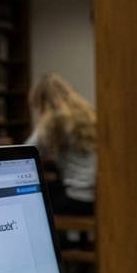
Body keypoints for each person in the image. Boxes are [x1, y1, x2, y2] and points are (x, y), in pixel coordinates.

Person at [26, 72, 97, 216]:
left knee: (35, 198)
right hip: (96, 198)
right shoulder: (88, 114)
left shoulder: (54, 119)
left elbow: (25, 153)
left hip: (76, 199)